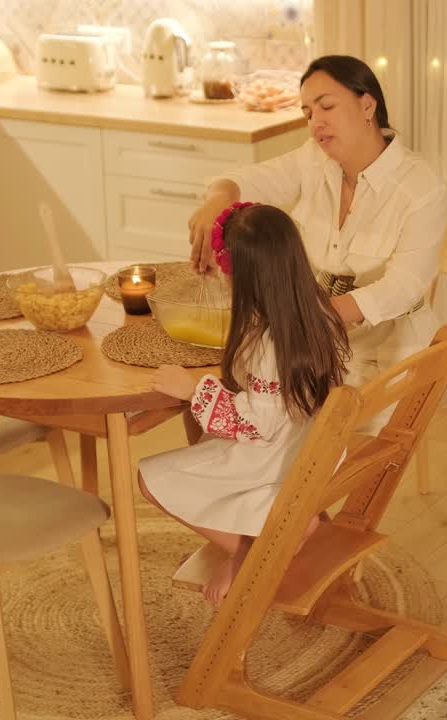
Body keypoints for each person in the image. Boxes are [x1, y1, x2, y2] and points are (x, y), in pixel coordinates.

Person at [187, 55, 446, 423]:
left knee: (298, 430)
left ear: (367, 104)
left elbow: (406, 285)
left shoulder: (420, 187)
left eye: (326, 106)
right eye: (308, 112)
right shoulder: (315, 160)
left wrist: (310, 317)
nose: (315, 123)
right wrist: (218, 199)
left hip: (389, 350)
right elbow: (251, 180)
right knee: (220, 397)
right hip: (317, 341)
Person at [140, 202, 350, 604]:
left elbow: (258, 425)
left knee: (150, 479)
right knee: (201, 446)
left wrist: (194, 391)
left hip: (276, 458)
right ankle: (257, 540)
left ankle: (251, 554)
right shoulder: (314, 310)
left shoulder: (267, 344)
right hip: (308, 446)